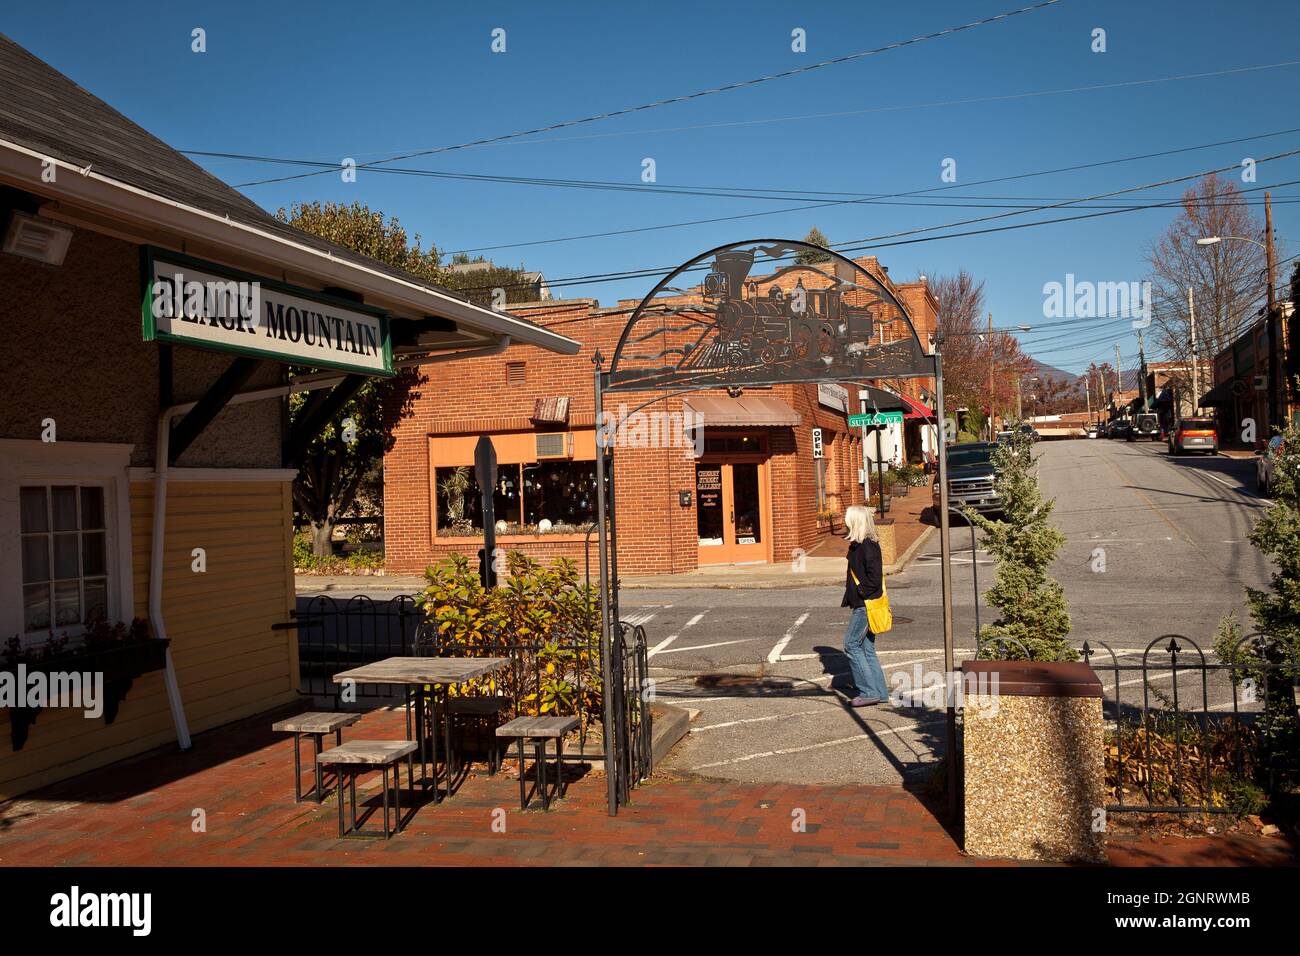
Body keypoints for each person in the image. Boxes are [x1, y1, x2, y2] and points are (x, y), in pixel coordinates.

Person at [840, 504, 889, 707]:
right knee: (867, 648)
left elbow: (874, 579)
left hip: (865, 605)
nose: (845, 522)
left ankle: (869, 692)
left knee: (851, 645)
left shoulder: (867, 546)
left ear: (856, 522)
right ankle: (879, 691)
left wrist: (859, 594)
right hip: (863, 603)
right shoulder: (859, 544)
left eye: (848, 519)